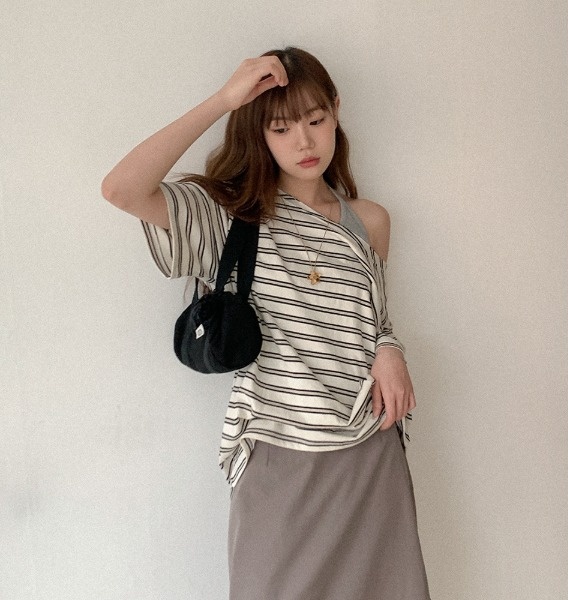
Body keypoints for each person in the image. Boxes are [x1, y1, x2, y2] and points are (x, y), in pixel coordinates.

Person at [102, 47, 430, 600]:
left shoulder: (369, 221)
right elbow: (121, 189)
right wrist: (225, 100)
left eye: (315, 120)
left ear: (336, 111)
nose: (304, 142)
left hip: (369, 452)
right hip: (278, 457)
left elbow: (373, 317)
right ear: (259, 134)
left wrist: (389, 347)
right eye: (281, 128)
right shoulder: (229, 218)